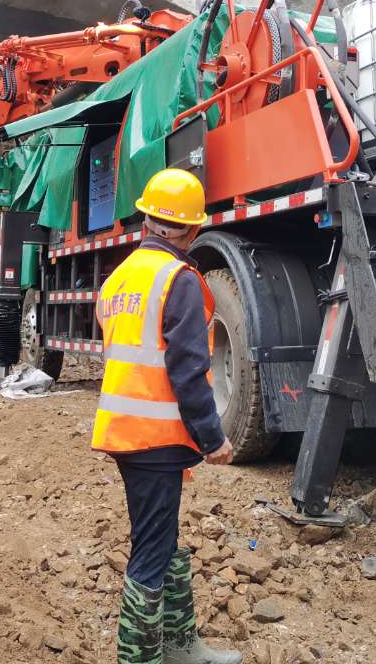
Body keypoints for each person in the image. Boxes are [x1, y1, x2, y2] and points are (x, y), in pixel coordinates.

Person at [92, 168, 241, 664]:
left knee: (162, 538)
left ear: (147, 219)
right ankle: (141, 658)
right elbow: (187, 368)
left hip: (127, 432)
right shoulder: (178, 280)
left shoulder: (120, 278)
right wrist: (213, 438)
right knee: (152, 552)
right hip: (154, 436)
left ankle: (181, 645)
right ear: (192, 230)